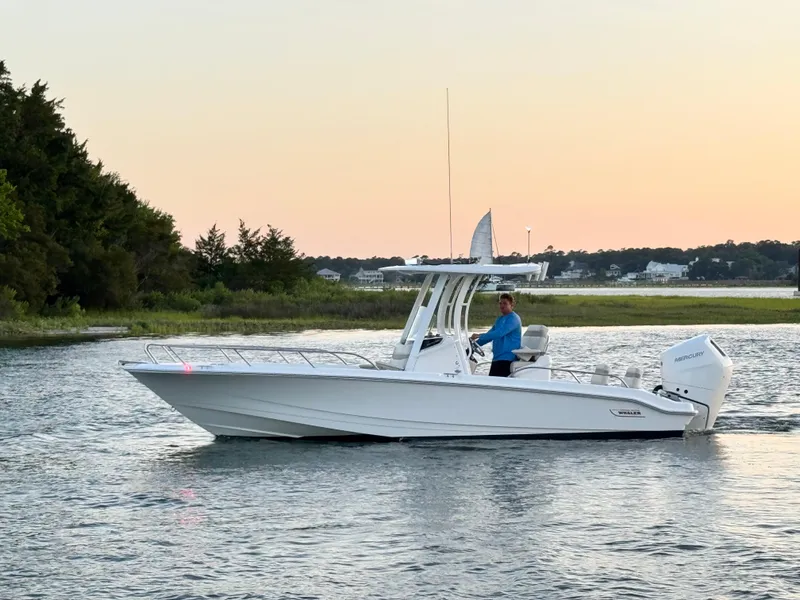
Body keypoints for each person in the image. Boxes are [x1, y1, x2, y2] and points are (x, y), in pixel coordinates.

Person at [470, 292, 522, 377]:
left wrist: (479, 335)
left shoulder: (514, 319)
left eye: (505, 303)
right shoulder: (499, 319)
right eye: (500, 303)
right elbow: (490, 335)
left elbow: (499, 333)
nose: (502, 305)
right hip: (497, 358)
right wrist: (474, 345)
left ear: (512, 305)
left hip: (507, 358)